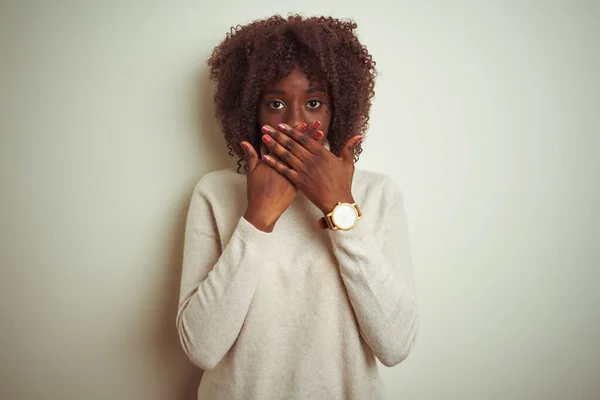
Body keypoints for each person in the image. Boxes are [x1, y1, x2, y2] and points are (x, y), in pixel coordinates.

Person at [176, 14, 418, 400]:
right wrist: (256, 220)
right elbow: (201, 348)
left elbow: (395, 345)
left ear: (336, 110)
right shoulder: (216, 193)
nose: (295, 122)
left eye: (314, 102)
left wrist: (340, 208)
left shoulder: (377, 194)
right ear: (249, 110)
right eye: (275, 103)